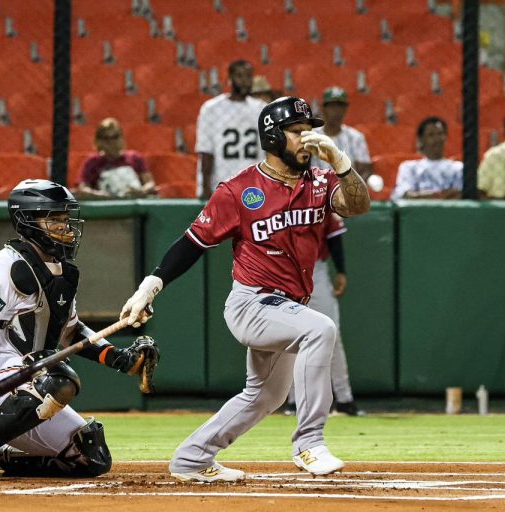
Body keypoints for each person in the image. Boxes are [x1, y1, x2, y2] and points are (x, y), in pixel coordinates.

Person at [119, 96, 371, 482]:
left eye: (309, 130)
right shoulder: (239, 190)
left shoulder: (320, 181)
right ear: (272, 136)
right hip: (252, 303)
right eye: (297, 131)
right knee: (319, 329)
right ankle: (309, 442)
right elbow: (192, 242)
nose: (307, 139)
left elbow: (358, 205)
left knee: (265, 396)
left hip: (288, 306)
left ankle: (192, 458)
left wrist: (340, 162)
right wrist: (151, 286)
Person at [0, 179, 159, 479]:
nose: (65, 227)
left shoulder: (61, 273)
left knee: (91, 455)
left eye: (65, 219)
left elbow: (72, 334)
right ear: (28, 222)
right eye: (54, 219)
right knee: (57, 377)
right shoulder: (3, 266)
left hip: (24, 386)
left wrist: (119, 358)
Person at [283, 213, 365, 417]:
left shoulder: (319, 190)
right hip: (283, 270)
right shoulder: (275, 194)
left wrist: (341, 271)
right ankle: (294, 400)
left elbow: (334, 237)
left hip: (315, 270)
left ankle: (344, 398)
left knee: (332, 333)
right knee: (289, 337)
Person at [195, 59, 267, 199]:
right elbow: (206, 152)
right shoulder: (212, 109)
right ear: (229, 79)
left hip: (253, 184)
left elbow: (268, 152)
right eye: (240, 76)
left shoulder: (260, 109)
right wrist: (205, 188)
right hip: (221, 182)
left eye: (248, 76)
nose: (245, 81)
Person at [75, 117, 156, 199]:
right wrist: (101, 195)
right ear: (99, 142)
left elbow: (150, 184)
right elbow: (82, 189)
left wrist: (141, 191)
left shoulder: (135, 158)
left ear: (122, 138)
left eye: (115, 137)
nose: (112, 142)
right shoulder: (92, 162)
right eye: (106, 138)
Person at [391, 116, 463, 200]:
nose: (437, 139)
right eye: (431, 135)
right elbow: (404, 195)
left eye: (440, 134)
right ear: (421, 140)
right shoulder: (409, 167)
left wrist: (422, 195)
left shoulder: (459, 168)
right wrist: (440, 195)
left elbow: (460, 195)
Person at [310, 87, 373, 181]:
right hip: (315, 189)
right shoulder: (310, 136)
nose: (337, 111)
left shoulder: (356, 137)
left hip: (346, 189)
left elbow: (365, 171)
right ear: (323, 109)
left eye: (341, 106)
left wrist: (354, 189)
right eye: (332, 106)